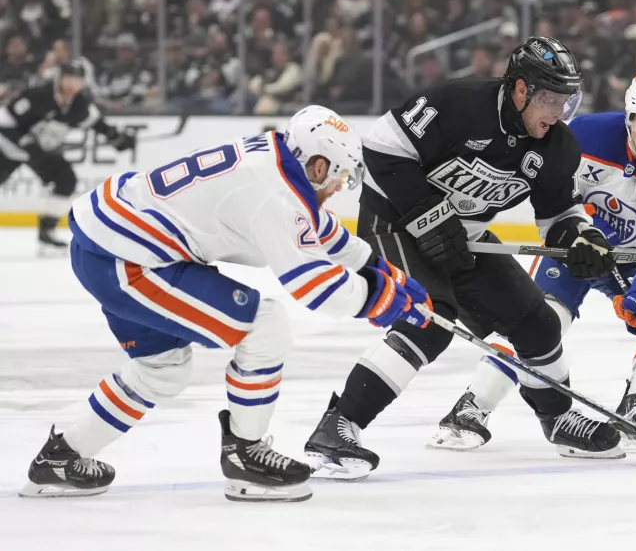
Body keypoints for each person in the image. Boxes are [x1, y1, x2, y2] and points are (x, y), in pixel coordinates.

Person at [18, 106, 431, 503]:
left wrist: (381, 269)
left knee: (162, 369)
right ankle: (245, 455)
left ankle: (61, 457)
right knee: (265, 326)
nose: (341, 186)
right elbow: (313, 286)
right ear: (319, 166)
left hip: (110, 241)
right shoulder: (276, 195)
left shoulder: (276, 159)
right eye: (340, 175)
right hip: (129, 260)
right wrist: (384, 300)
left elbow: (318, 230)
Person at [303, 36, 620, 481]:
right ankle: (338, 426)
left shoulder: (557, 146)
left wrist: (582, 239)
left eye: (566, 100)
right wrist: (427, 214)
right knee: (429, 318)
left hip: (463, 236)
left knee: (538, 322)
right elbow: (380, 148)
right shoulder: (460, 102)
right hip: (393, 221)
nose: (558, 112)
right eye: (550, 99)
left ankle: (559, 416)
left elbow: (558, 216)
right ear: (521, 89)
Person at [430, 73, 636, 453]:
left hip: (634, 260)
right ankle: (472, 406)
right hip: (576, 249)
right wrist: (577, 233)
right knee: (537, 322)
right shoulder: (587, 135)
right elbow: (554, 196)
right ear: (628, 117)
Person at [0, 61, 135, 255]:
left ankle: (47, 234)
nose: (72, 84)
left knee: (66, 180)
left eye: (77, 80)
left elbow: (97, 123)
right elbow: (4, 120)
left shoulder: (80, 104)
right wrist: (25, 143)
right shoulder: (38, 95)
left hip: (40, 151)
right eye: (69, 79)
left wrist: (117, 138)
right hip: (9, 146)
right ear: (60, 78)